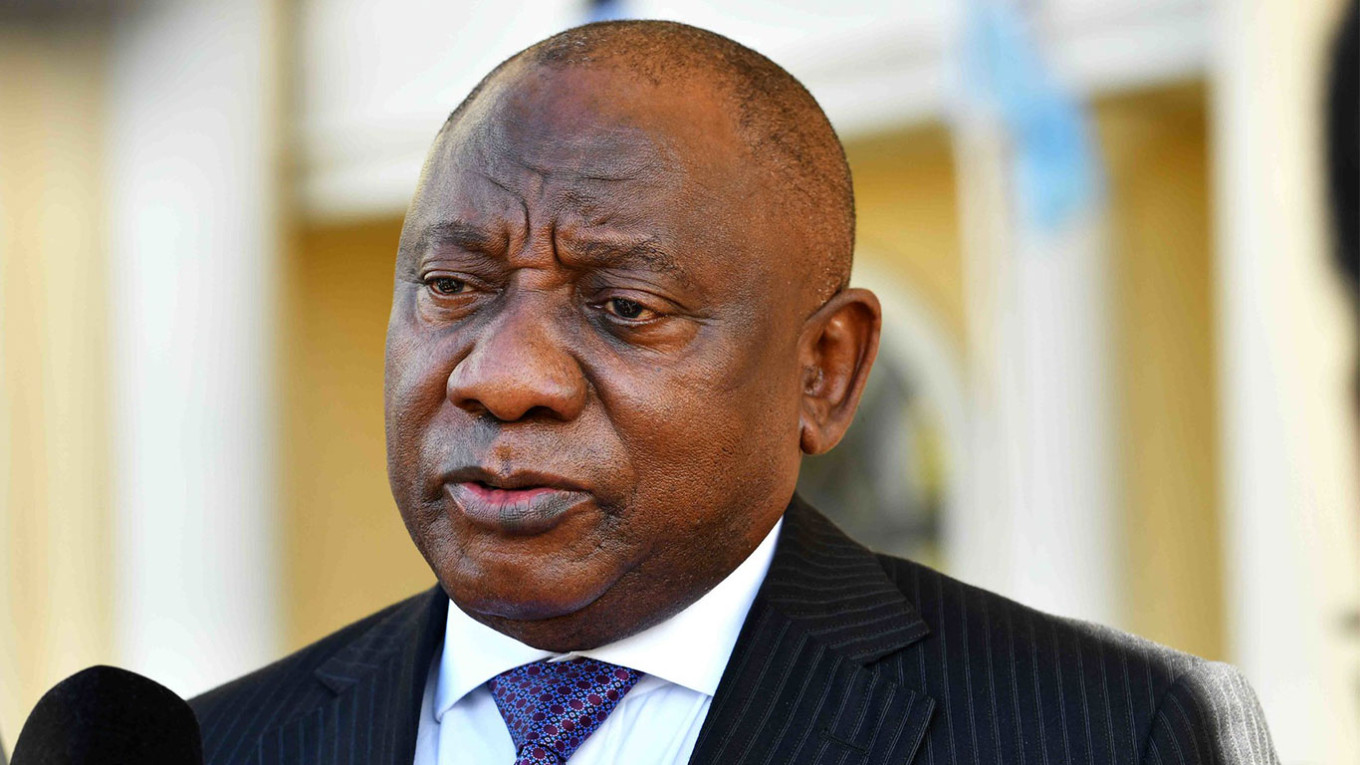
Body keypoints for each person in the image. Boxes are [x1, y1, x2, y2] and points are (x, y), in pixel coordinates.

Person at [190, 20, 1276, 765]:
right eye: (452, 286)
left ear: (824, 370)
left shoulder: (1111, 731)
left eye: (624, 306)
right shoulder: (211, 747)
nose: (503, 376)